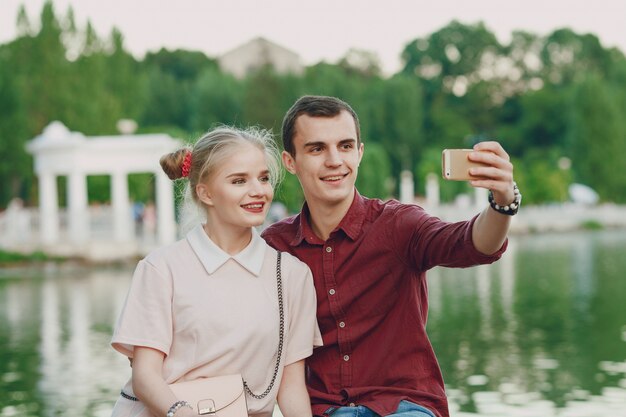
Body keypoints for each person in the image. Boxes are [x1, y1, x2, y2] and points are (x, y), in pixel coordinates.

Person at [261, 96, 520, 417]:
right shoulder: (274, 246)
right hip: (323, 410)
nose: (334, 160)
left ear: (359, 153)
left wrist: (503, 200)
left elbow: (473, 243)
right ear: (290, 161)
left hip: (404, 405)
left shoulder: (398, 224)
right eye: (317, 149)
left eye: (345, 146)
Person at [110, 126, 322, 417]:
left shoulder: (292, 276)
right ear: (205, 193)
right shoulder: (161, 269)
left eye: (263, 178)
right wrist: (181, 412)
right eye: (239, 181)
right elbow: (145, 376)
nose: (258, 190)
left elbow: (291, 387)